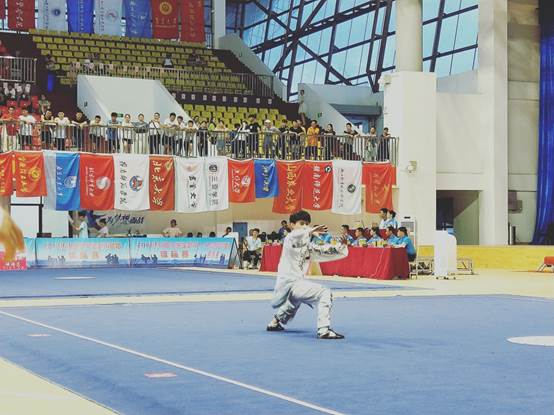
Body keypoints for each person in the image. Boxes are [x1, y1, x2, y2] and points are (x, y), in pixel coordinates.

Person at [266, 210, 348, 339]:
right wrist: (310, 230)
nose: (305, 226)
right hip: (290, 283)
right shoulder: (289, 239)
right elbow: (296, 235)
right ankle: (324, 330)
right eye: (302, 223)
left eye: (307, 224)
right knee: (324, 293)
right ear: (292, 224)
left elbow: (323, 250)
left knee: (294, 302)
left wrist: (341, 246)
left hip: (294, 285)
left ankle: (274, 322)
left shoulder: (306, 246)